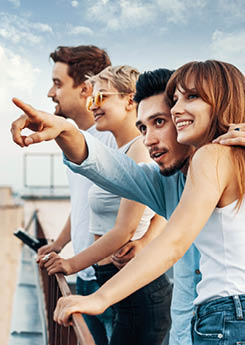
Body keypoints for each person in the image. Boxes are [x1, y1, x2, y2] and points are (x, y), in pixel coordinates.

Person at [10, 66, 245, 345]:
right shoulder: (171, 183)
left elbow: (173, 243)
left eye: (160, 121)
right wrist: (64, 131)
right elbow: (114, 169)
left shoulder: (215, 157)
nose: (149, 140)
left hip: (226, 316)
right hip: (203, 322)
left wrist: (100, 297)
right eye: (143, 127)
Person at [38, 65, 172, 345]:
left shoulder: (139, 149)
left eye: (100, 98)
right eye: (91, 100)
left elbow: (124, 230)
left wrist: (70, 264)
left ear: (129, 99)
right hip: (113, 280)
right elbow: (166, 198)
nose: (93, 106)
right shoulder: (118, 152)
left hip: (136, 288)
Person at [37, 45, 117, 345]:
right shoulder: (80, 140)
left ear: (86, 89)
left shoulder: (112, 138)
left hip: (111, 280)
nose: (50, 93)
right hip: (86, 274)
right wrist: (58, 243)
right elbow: (85, 202)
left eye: (58, 84)